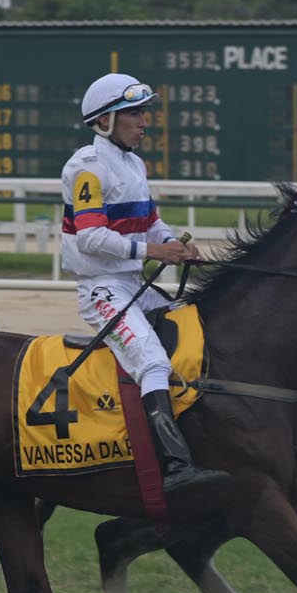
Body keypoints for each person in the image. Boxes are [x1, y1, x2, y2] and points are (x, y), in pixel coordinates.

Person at [62, 72, 227, 494]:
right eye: (134, 113)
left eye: (143, 112)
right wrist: (154, 252)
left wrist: (173, 243)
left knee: (195, 332)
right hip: (101, 288)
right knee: (153, 361)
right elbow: (90, 237)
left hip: (133, 283)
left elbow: (151, 221)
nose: (144, 122)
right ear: (105, 121)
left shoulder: (134, 164)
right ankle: (174, 466)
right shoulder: (86, 167)